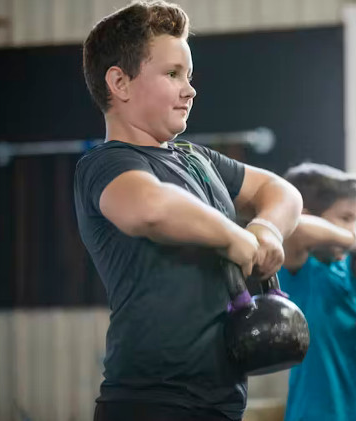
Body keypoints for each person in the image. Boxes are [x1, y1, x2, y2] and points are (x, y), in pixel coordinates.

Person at [74, 2, 302, 420]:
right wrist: (235, 237)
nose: (190, 89)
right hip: (151, 403)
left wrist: (266, 229)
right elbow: (151, 208)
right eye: (172, 74)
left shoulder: (197, 159)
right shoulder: (106, 164)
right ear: (120, 82)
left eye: (189, 76)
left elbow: (280, 189)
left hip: (221, 404)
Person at [279, 162, 356, 421]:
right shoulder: (299, 269)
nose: (352, 230)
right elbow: (297, 226)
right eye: (345, 219)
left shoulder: (351, 265)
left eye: (354, 220)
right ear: (311, 215)